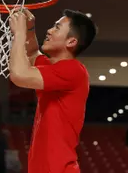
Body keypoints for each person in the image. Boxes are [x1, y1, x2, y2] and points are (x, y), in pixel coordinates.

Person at [9, 9, 97, 173]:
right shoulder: (54, 68)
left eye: (56, 28)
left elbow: (19, 75)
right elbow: (33, 54)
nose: (49, 30)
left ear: (71, 42)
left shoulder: (73, 70)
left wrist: (19, 35)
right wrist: (29, 29)